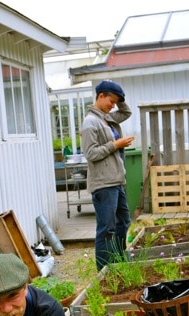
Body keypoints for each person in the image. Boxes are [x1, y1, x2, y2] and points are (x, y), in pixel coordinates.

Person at [82, 80, 135, 271]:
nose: (113, 105)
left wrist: (120, 97)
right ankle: (104, 270)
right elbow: (91, 154)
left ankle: (119, 260)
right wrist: (116, 145)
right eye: (110, 101)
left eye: (115, 102)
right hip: (103, 183)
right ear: (100, 96)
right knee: (106, 228)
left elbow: (126, 112)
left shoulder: (107, 118)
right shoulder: (91, 123)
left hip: (116, 180)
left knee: (123, 221)